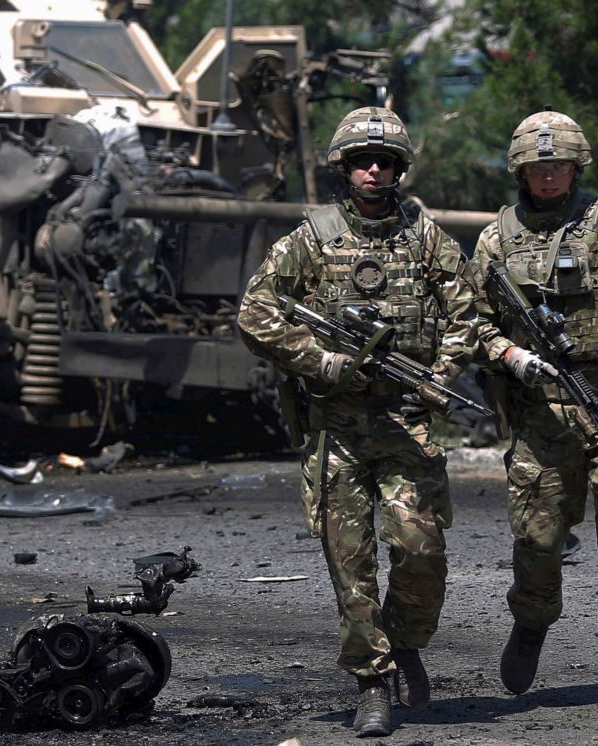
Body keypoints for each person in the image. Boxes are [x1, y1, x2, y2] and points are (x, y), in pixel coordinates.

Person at [237, 106, 477, 737]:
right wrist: (323, 361)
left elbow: (467, 315)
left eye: (386, 162)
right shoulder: (309, 240)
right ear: (344, 168)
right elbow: (255, 313)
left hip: (406, 423)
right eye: (363, 161)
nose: (375, 170)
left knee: (421, 551)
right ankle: (372, 681)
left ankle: (406, 642)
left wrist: (440, 375)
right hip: (336, 428)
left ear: (399, 169)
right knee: (351, 563)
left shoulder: (426, 239)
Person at [468, 111, 598, 717]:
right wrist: (511, 354)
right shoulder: (495, 240)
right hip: (541, 412)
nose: (548, 175)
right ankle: (531, 622)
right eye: (536, 166)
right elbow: (469, 323)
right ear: (520, 172)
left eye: (557, 164)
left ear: (576, 166)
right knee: (538, 543)